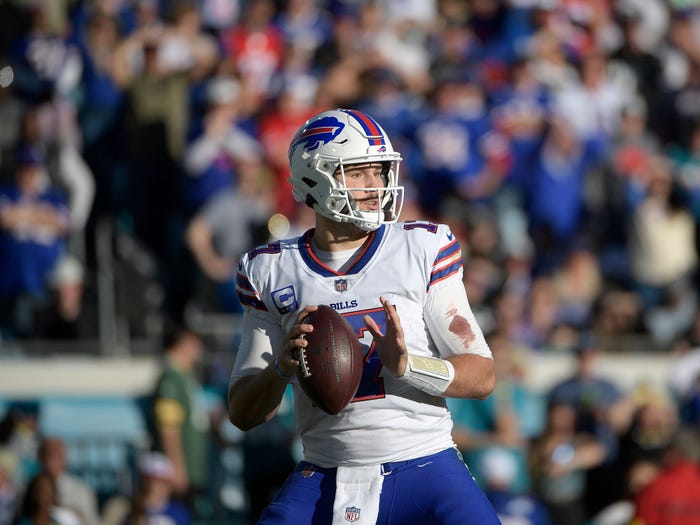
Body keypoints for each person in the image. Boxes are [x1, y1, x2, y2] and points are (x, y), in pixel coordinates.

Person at [228, 108, 500, 525]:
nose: (376, 186)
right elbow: (244, 414)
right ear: (313, 178)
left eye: (379, 171)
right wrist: (278, 370)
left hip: (425, 464)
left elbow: (482, 377)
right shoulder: (269, 270)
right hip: (325, 470)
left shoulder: (421, 248)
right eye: (358, 173)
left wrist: (409, 366)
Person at [149, 323, 210, 523]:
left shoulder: (184, 377)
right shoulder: (171, 380)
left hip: (191, 472)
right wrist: (176, 467)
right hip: (180, 473)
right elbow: (168, 428)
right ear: (182, 343)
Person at [37, 437, 99, 525]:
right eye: (49, 456)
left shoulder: (81, 490)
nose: (51, 462)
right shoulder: (30, 489)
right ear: (40, 459)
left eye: (57, 456)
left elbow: (92, 521)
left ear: (65, 459)